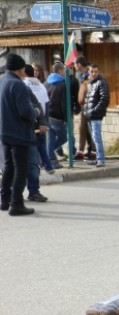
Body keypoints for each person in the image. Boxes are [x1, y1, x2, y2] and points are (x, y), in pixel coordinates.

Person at [0, 53, 38, 216]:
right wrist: (35, 112)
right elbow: (25, 111)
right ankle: (17, 203)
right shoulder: (19, 85)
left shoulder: (2, 81)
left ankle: (4, 200)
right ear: (20, 69)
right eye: (23, 68)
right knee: (20, 170)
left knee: (8, 168)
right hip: (19, 133)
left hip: (5, 131)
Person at [45, 62, 79, 172]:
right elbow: (64, 103)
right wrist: (66, 118)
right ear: (60, 71)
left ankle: (50, 160)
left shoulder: (46, 83)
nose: (65, 73)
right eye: (63, 71)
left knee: (50, 138)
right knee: (64, 137)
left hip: (48, 115)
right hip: (58, 116)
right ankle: (47, 153)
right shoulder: (62, 84)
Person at [23, 64, 49, 203]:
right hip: (12, 135)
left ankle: (34, 191)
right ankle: (10, 194)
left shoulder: (26, 88)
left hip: (31, 132)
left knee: (33, 164)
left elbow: (38, 105)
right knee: (13, 167)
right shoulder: (7, 88)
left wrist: (43, 122)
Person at [83, 64, 109, 167]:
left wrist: (94, 111)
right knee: (94, 139)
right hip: (89, 115)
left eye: (95, 71)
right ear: (89, 72)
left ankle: (101, 159)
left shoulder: (101, 82)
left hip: (96, 116)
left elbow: (104, 98)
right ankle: (98, 158)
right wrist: (86, 112)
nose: (94, 73)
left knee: (97, 138)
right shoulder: (90, 83)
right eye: (92, 71)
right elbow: (88, 99)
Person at [73, 56, 95, 160]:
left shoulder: (91, 74)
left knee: (91, 129)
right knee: (83, 128)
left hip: (92, 106)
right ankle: (82, 151)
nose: (74, 66)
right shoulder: (79, 75)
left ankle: (93, 150)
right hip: (83, 106)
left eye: (75, 64)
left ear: (79, 64)